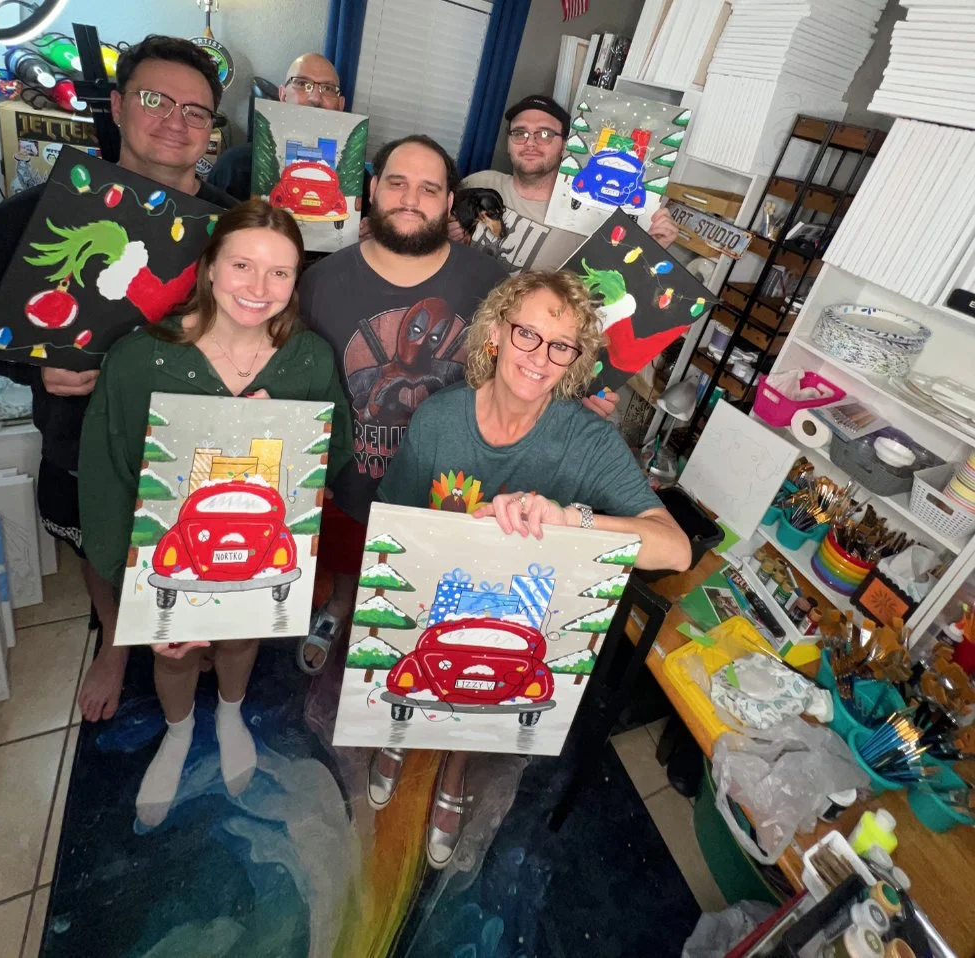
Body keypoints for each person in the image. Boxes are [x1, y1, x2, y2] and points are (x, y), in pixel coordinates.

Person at [370, 269, 692, 868]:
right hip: (429, 604)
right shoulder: (439, 419)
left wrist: (577, 521)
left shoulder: (587, 441)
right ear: (496, 332)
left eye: (560, 345)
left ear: (574, 360)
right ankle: (394, 741)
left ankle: (456, 769)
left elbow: (675, 551)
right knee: (410, 683)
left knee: (484, 695)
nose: (539, 357)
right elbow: (394, 525)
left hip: (515, 623)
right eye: (526, 335)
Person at [0, 35, 238, 723]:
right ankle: (118, 637)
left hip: (191, 435)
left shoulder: (234, 225)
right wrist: (34, 361)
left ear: (211, 130)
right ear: (119, 106)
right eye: (156, 100)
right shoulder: (33, 214)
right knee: (98, 536)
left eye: (196, 110)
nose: (175, 121)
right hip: (80, 433)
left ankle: (180, 627)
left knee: (191, 531)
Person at [78, 198, 352, 827]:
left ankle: (229, 713)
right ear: (209, 267)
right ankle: (178, 731)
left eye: (280, 273)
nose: (260, 288)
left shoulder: (307, 358)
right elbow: (109, 473)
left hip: (255, 541)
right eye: (243, 266)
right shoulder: (141, 358)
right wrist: (139, 587)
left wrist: (277, 438)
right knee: (172, 651)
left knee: (240, 632)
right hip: (173, 548)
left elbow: (329, 448)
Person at [298, 134, 508, 673]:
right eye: (396, 183)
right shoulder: (319, 282)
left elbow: (529, 362)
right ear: (372, 189)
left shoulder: (494, 284)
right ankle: (341, 603)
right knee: (350, 549)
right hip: (351, 474)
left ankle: (414, 632)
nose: (411, 198)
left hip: (452, 487)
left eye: (428, 188)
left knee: (425, 583)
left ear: (447, 201)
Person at [458, 94, 679, 272]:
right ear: (508, 143)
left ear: (565, 145)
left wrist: (652, 249)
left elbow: (610, 285)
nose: (530, 143)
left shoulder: (589, 216)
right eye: (519, 133)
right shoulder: (479, 182)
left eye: (544, 134)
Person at [207, 53, 346, 201]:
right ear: (283, 96)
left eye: (328, 88)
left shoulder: (358, 181)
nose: (316, 98)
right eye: (301, 83)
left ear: (341, 104)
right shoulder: (233, 167)